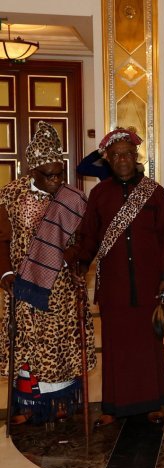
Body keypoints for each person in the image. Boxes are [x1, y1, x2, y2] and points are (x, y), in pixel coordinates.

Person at [0, 122, 96, 424]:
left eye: (59, 174)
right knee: (27, 345)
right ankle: (28, 404)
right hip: (23, 285)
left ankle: (60, 402)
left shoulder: (73, 198)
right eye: (49, 175)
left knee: (59, 345)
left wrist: (74, 255)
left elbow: (86, 240)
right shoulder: (10, 195)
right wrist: (5, 274)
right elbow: (1, 239)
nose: (56, 181)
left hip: (60, 286)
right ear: (33, 172)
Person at [77, 127, 164, 426]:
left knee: (148, 344)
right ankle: (113, 406)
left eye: (127, 154)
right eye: (116, 155)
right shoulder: (99, 194)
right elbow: (89, 236)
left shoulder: (154, 191)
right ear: (108, 160)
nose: (122, 160)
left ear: (135, 156)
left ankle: (153, 403)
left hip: (148, 282)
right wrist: (79, 263)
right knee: (115, 346)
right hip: (114, 284)